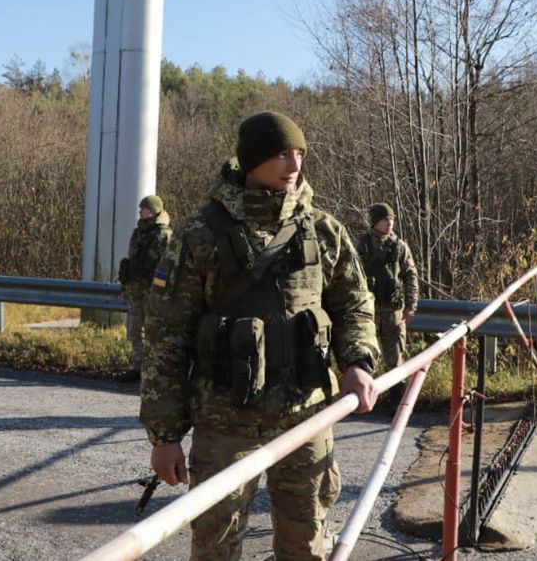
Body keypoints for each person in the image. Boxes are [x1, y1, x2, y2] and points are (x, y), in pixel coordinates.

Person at [140, 111, 380, 561]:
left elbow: (354, 304)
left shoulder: (323, 229)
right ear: (252, 162)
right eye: (282, 154)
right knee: (215, 546)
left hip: (306, 416)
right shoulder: (200, 234)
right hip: (225, 419)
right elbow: (166, 338)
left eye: (300, 154)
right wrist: (165, 435)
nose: (294, 165)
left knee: (306, 544)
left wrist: (358, 361)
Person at [355, 203, 419, 380]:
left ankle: (396, 401)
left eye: (392, 219)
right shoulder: (361, 245)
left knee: (395, 361)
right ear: (375, 221)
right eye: (385, 219)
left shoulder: (399, 246)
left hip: (393, 311)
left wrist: (411, 306)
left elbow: (410, 276)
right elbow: (349, 276)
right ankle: (365, 402)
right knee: (365, 359)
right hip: (368, 311)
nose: (390, 223)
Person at [118, 194, 172, 382]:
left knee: (152, 331)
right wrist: (126, 285)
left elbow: (166, 266)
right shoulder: (138, 233)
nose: (140, 211)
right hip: (135, 289)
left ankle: (152, 370)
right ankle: (137, 367)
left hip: (152, 292)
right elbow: (132, 260)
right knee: (135, 330)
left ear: (153, 211)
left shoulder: (164, 235)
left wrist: (161, 292)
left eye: (144, 208)